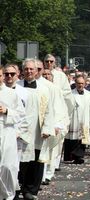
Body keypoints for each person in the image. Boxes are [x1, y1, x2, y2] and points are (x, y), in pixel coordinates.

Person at [17, 58, 55, 200]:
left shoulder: (44, 89)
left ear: (36, 71)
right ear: (22, 71)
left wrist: (47, 128)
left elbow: (49, 111)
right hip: (21, 129)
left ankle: (31, 190)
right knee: (21, 160)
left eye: (31, 69)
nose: (29, 71)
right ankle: (18, 187)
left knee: (35, 161)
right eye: (26, 69)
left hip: (38, 131)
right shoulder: (17, 87)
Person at [0, 65, 26, 200]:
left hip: (7, 132)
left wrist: (7, 111)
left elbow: (21, 114)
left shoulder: (11, 94)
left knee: (8, 166)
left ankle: (9, 194)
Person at [64, 75, 90, 164]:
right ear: (75, 83)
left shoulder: (89, 94)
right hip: (73, 119)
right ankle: (72, 156)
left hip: (85, 120)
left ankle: (79, 156)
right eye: (78, 83)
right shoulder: (70, 94)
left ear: (85, 84)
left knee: (82, 140)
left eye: (82, 83)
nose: (80, 85)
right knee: (73, 140)